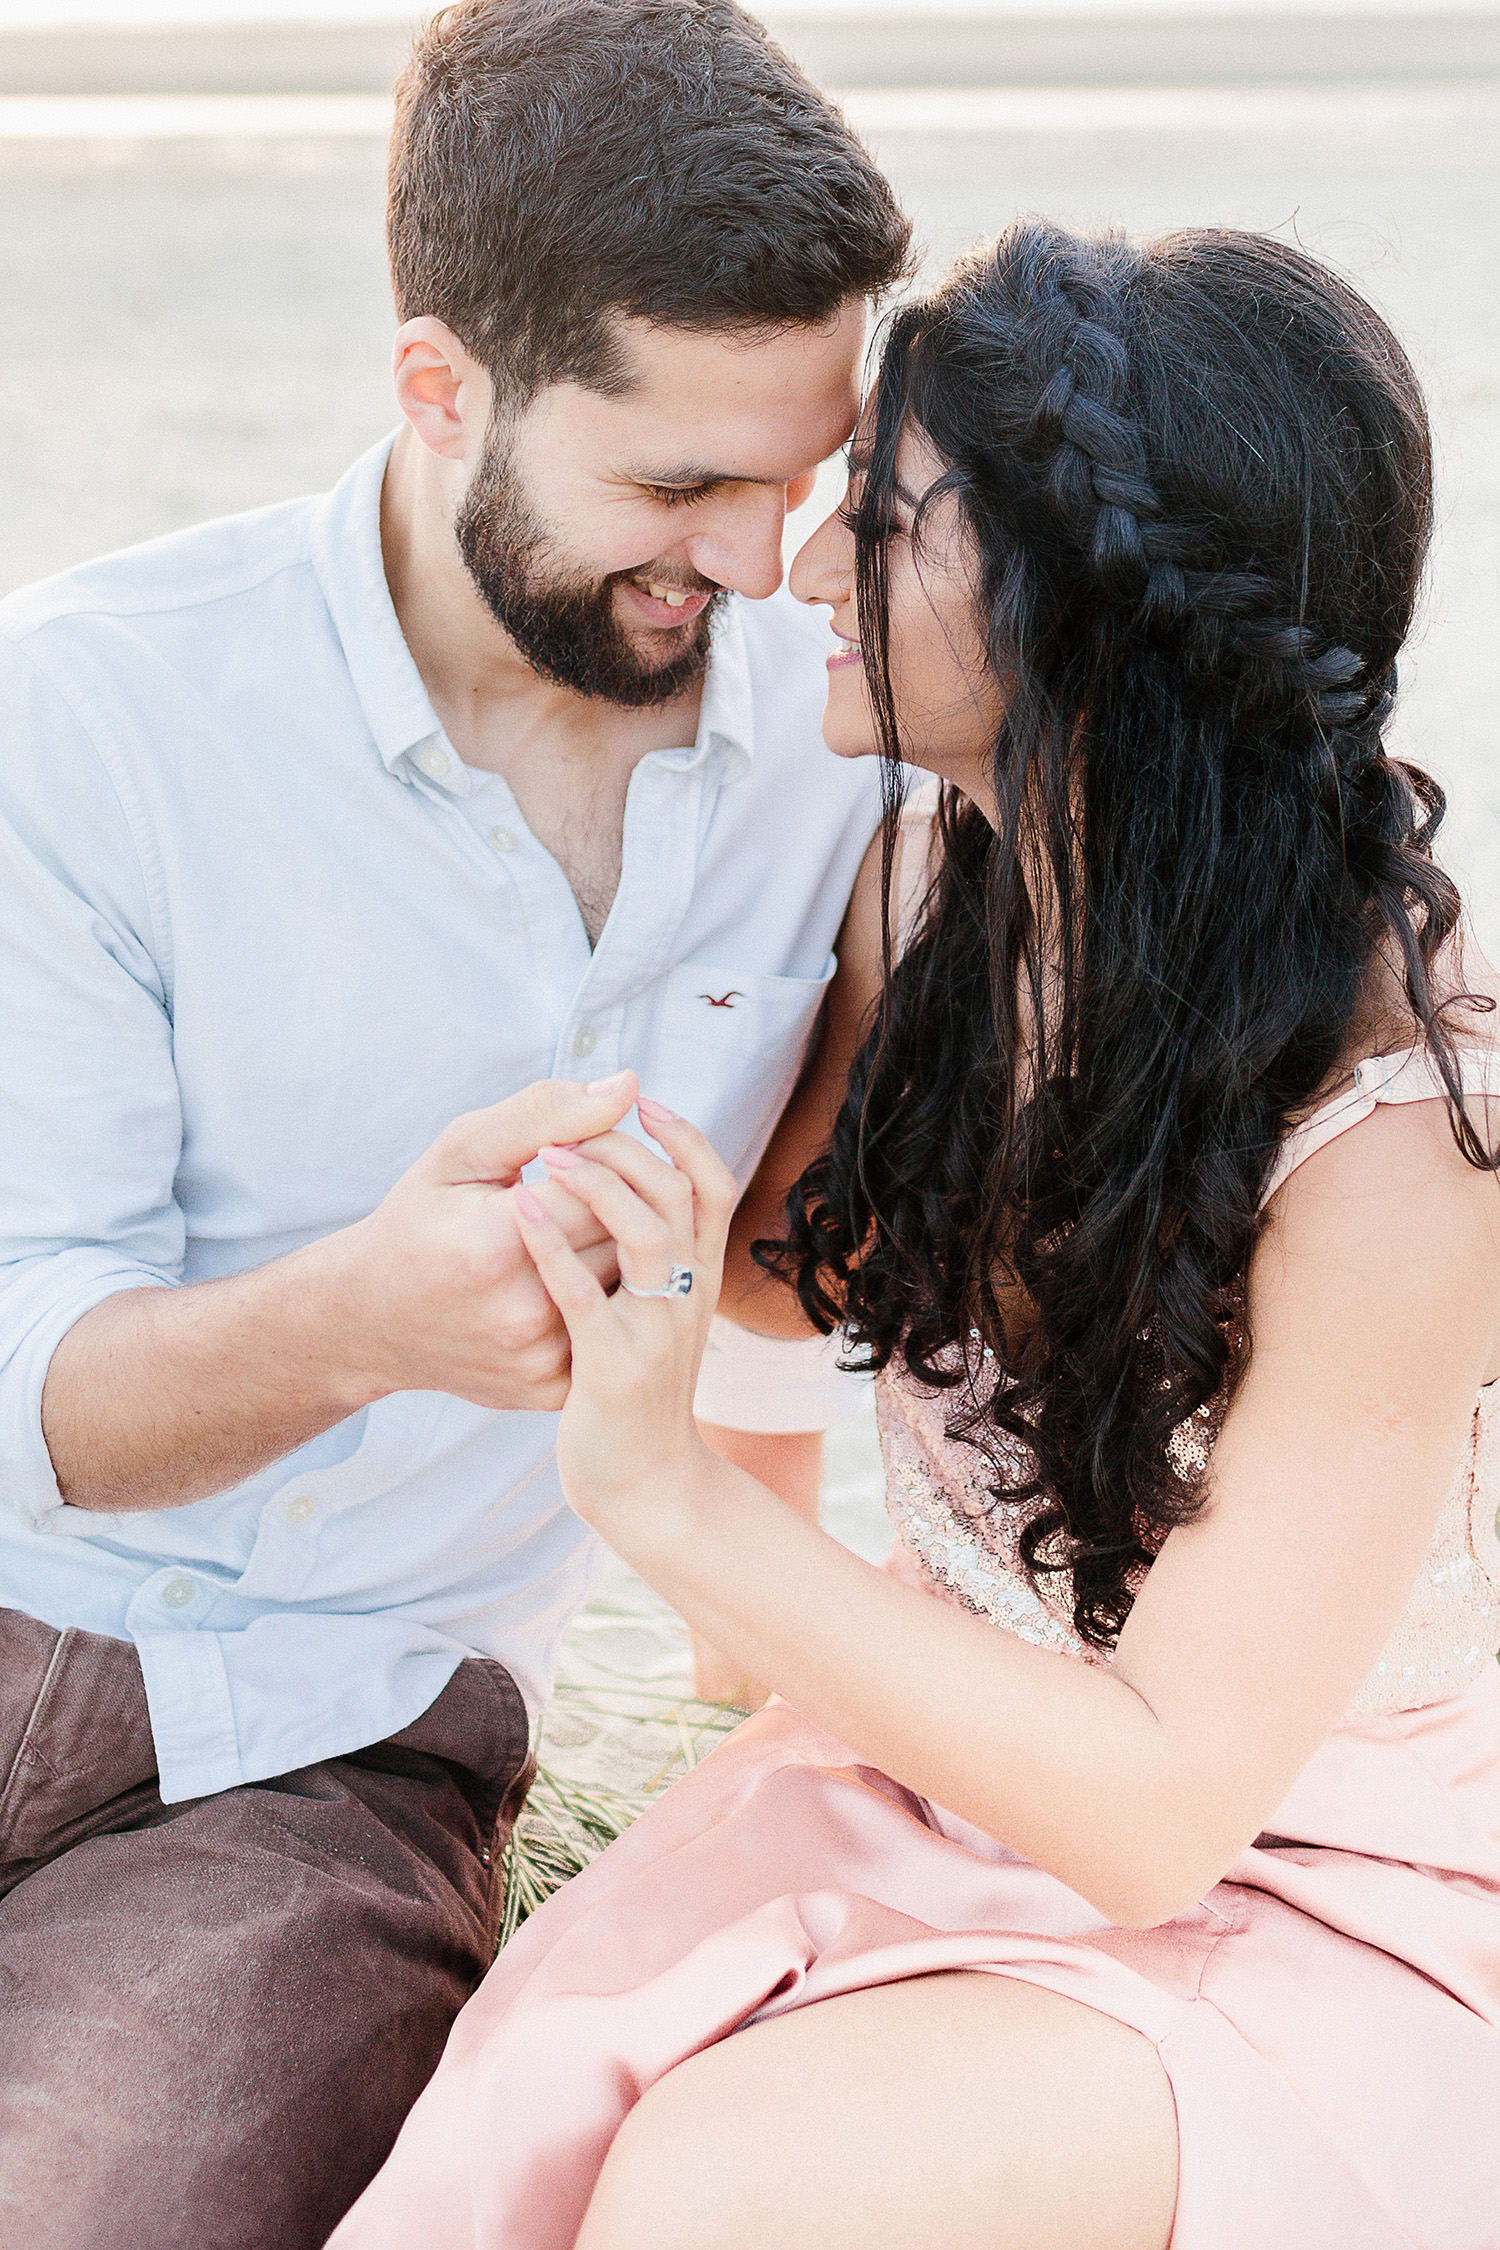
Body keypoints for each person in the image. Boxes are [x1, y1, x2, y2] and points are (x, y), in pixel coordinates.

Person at [332, 220, 1500, 2250]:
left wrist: (667, 1492)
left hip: (1314, 1870)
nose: (795, 573)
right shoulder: (934, 893)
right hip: (919, 1779)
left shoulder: (1400, 1147)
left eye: (874, 520)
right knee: (513, 2144)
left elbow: (1155, 1811)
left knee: (724, 2198)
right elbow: (808, 1279)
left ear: (1087, 601)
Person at [0, 3, 910, 2242]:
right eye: (680, 486)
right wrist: (362, 1323)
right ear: (441, 388)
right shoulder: (88, 716)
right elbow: (32, 1393)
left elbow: (815, 1264)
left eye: (801, 482)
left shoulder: (849, 739)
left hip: (327, 1748)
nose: (759, 565)